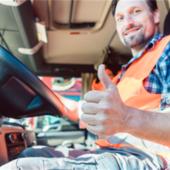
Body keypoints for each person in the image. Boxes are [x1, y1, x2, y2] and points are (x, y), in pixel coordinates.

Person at [1, 0, 170, 169]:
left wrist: (127, 118)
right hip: (107, 151)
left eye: (135, 11)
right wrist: (39, 92)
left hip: (145, 157)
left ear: (156, 15)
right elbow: (82, 110)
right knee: (29, 153)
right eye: (120, 18)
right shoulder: (121, 76)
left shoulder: (166, 50)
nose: (128, 22)